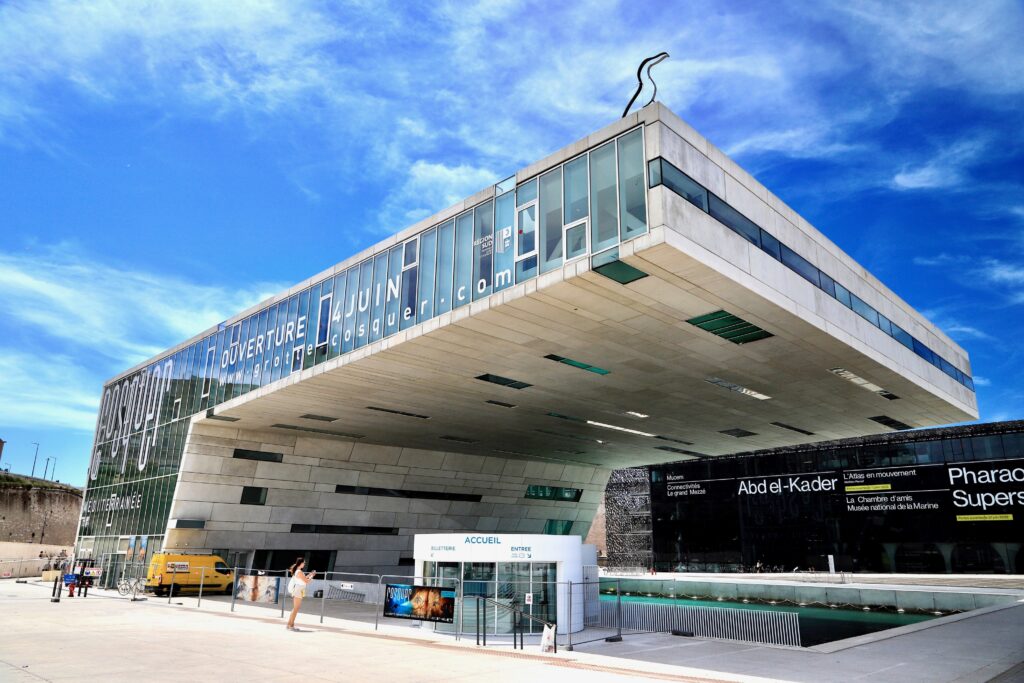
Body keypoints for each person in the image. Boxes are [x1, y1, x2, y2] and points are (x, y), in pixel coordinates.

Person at [286, 557, 315, 631]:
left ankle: (289, 625)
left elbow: (303, 579)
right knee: (295, 609)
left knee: (295, 608)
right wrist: (312, 576)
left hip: (299, 590)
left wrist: (309, 575)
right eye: (304, 563)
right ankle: (290, 625)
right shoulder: (299, 571)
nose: (304, 564)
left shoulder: (299, 571)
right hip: (298, 590)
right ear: (300, 563)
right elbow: (306, 581)